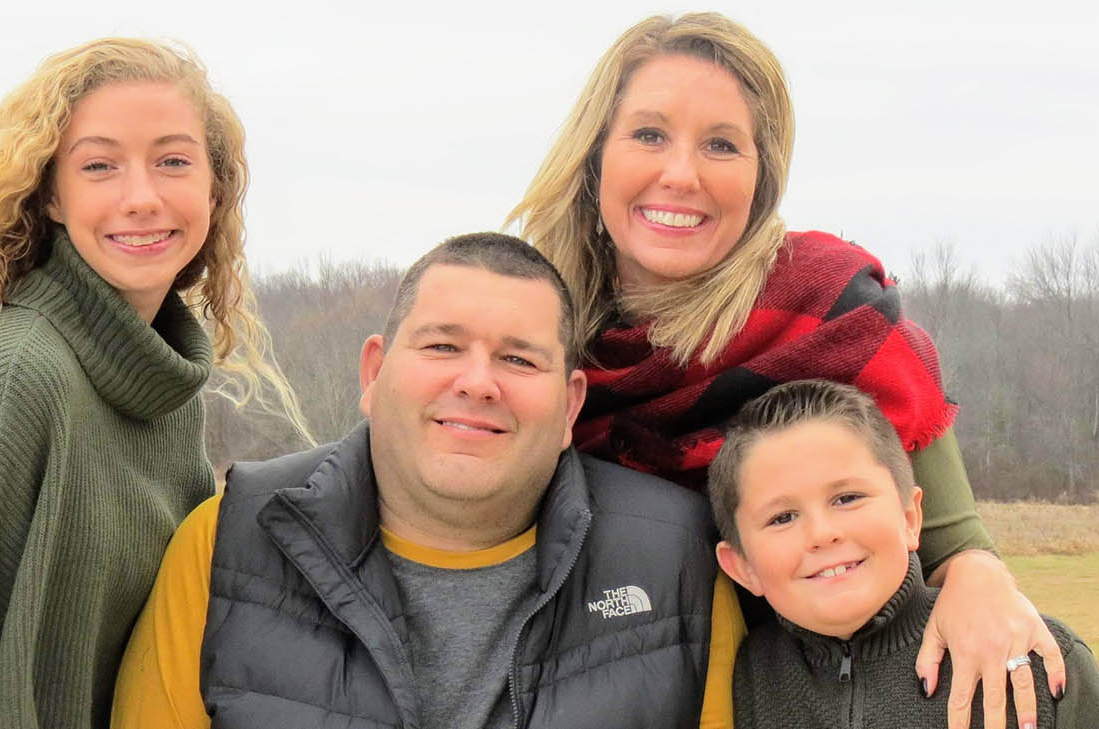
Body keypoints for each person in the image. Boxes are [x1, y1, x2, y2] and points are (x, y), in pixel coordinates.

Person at [507, 12, 1065, 729]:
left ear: (761, 176)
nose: (681, 173)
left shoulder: (831, 311)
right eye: (649, 134)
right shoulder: (535, 339)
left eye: (721, 144)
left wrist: (983, 579)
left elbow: (955, 544)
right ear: (593, 159)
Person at [0, 38, 302, 728]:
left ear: (214, 189)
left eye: (173, 161)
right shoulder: (18, 373)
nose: (141, 197)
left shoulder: (162, 387)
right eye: (99, 166)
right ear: (53, 197)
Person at [111, 232, 744, 729]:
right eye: (442, 347)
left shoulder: (679, 563)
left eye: (518, 359)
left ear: (570, 407)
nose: (476, 382)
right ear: (374, 373)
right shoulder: (228, 543)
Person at [707, 379, 1098, 728]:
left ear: (911, 518)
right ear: (742, 568)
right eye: (782, 517)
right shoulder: (736, 683)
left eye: (847, 498)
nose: (822, 534)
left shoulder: (1041, 660)